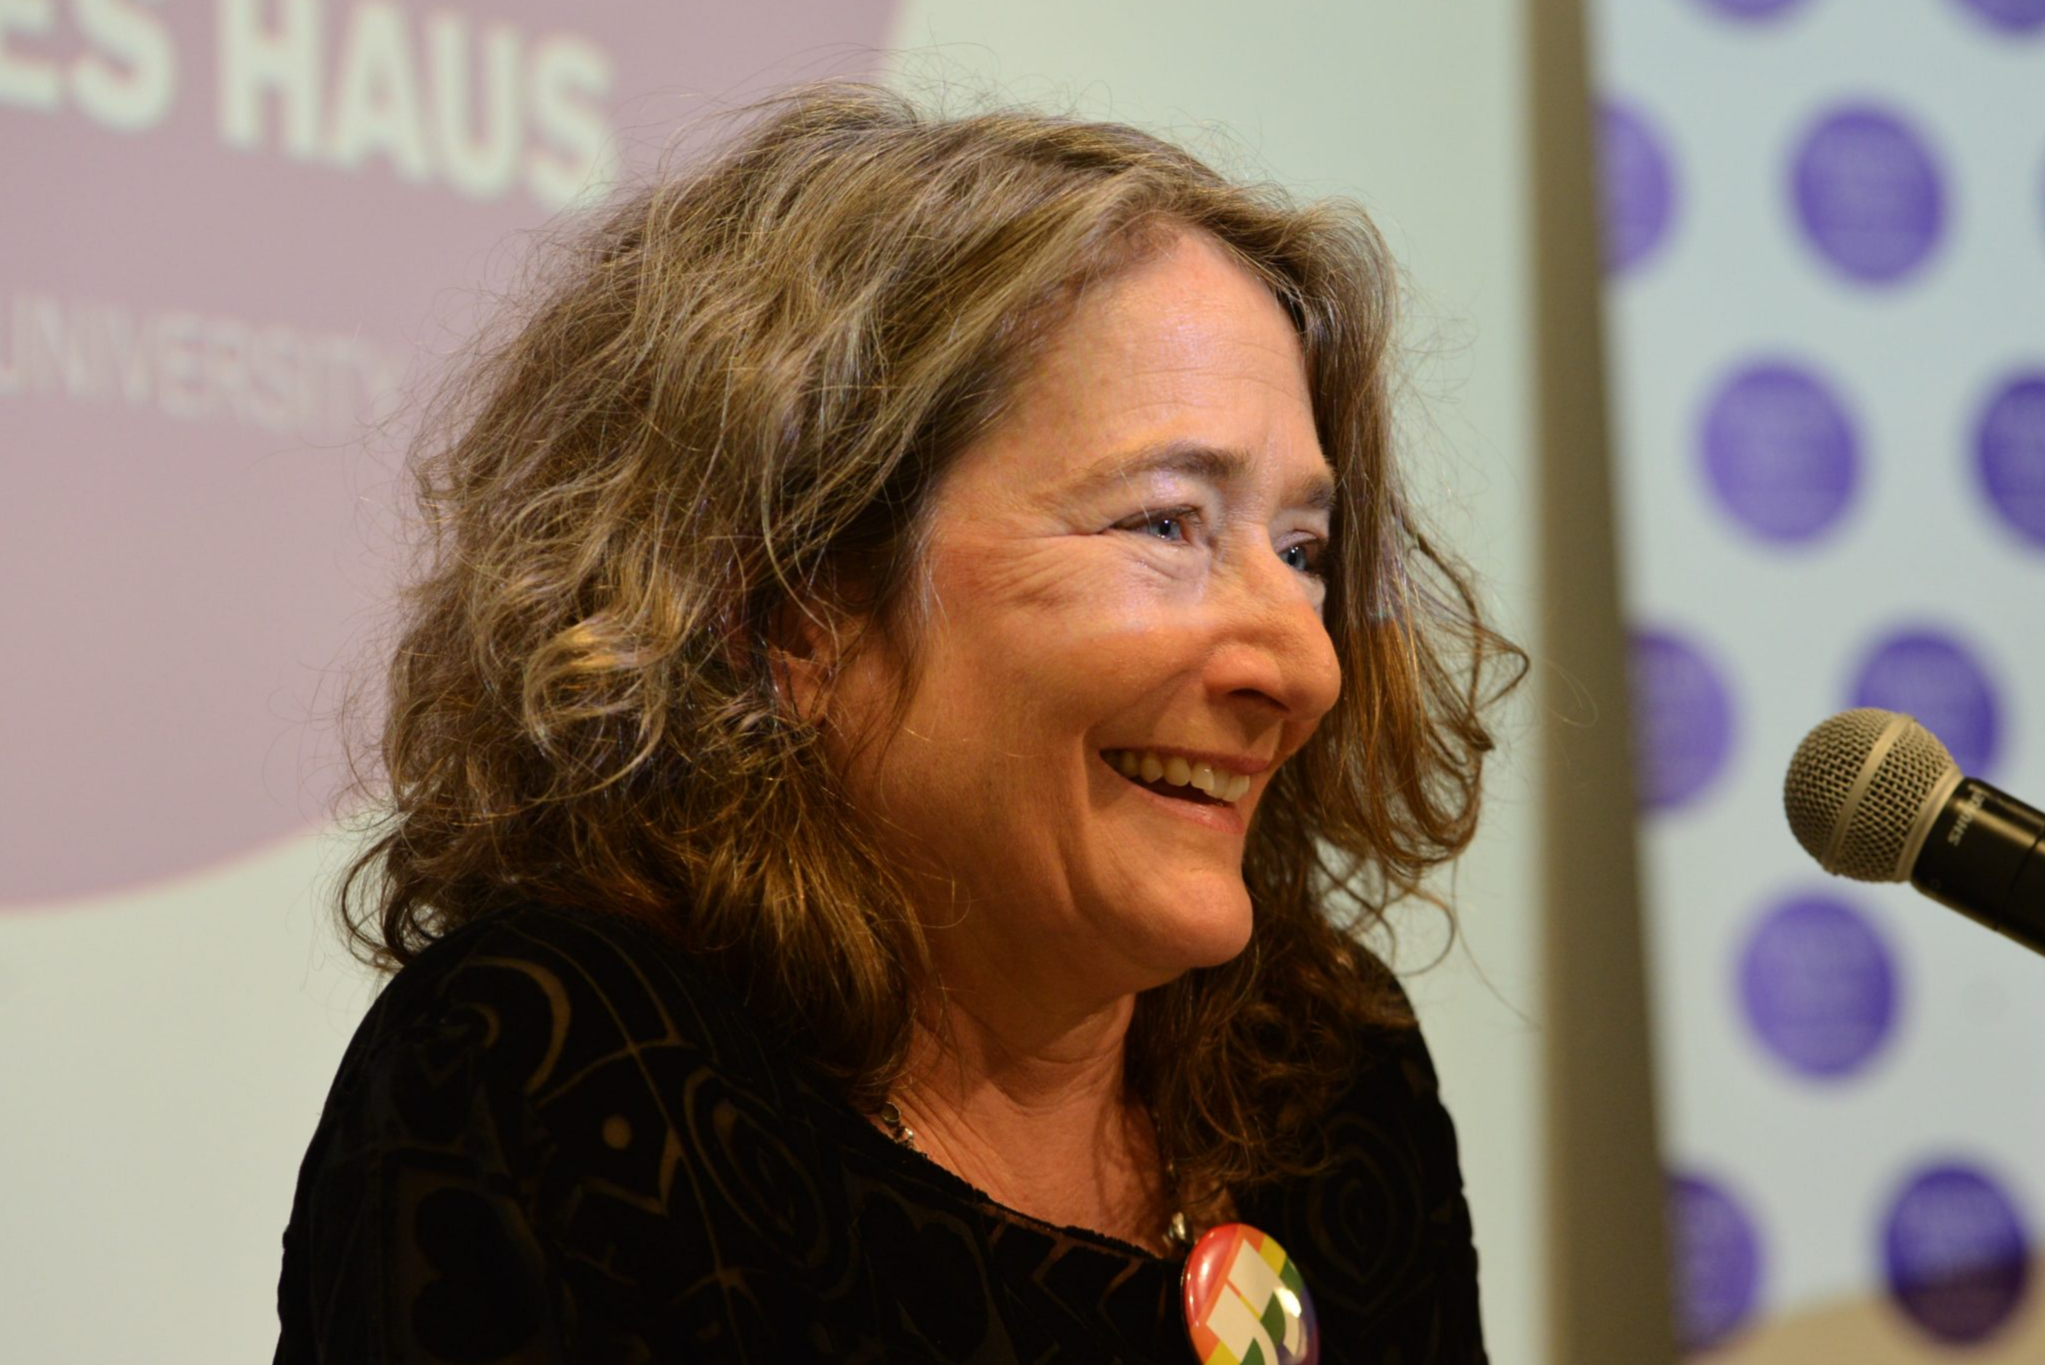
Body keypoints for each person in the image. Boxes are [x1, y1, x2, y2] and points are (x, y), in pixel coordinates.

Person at [275, 80, 1521, 1363]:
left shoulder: (1322, 1077)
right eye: (1166, 524)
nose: (1302, 666)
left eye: (1304, 548)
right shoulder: (568, 1072)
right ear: (797, 604)